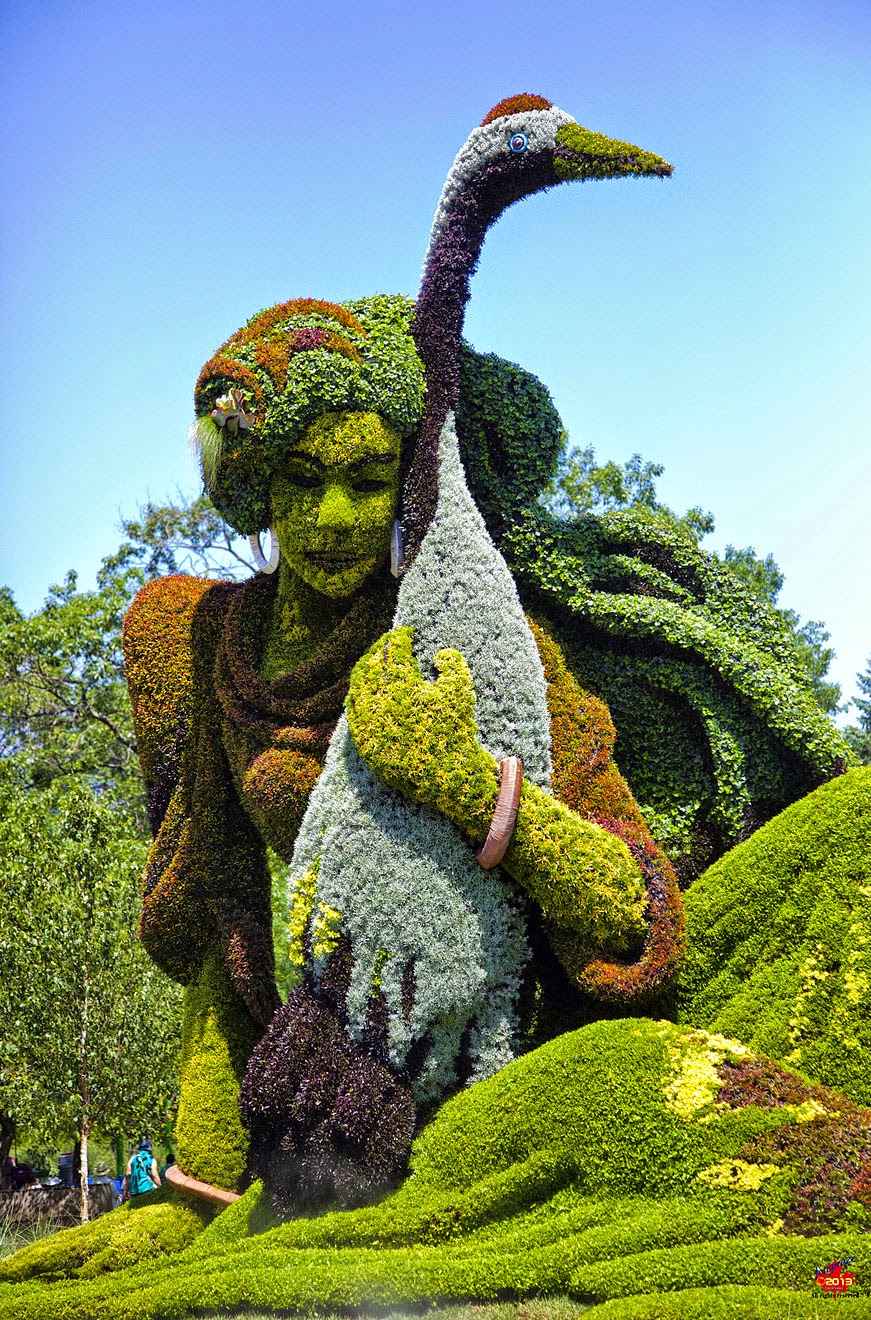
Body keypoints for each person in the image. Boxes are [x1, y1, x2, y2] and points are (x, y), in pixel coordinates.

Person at [123, 295, 683, 1208]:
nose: (336, 516)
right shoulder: (215, 642)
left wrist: (467, 785)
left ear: (409, 482)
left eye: (368, 477)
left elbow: (636, 910)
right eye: (304, 478)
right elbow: (226, 930)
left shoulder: (479, 637)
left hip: (508, 1058)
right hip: (330, 1091)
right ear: (258, 480)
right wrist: (201, 1194)